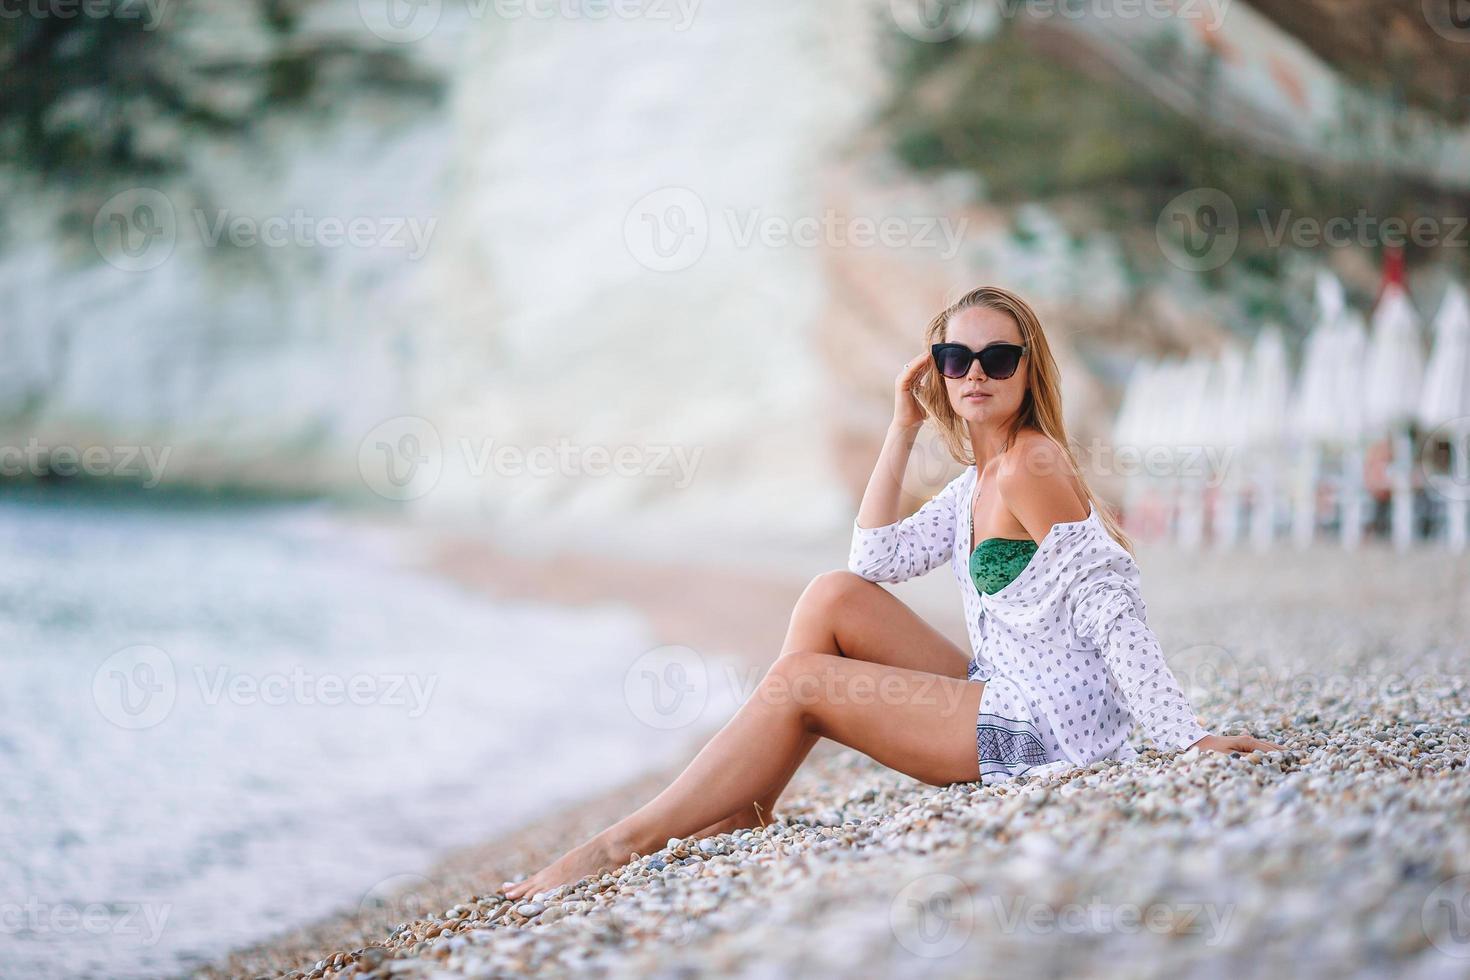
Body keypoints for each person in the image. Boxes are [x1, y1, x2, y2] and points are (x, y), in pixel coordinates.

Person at [501, 285, 1283, 900]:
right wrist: (901, 425)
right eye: (955, 357)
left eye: (997, 359)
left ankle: (621, 843)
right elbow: (870, 558)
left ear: (1026, 369)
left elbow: (1113, 604)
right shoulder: (980, 479)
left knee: (800, 681)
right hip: (1002, 690)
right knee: (833, 596)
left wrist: (1186, 738)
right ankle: (745, 804)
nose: (975, 372)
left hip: (1043, 733)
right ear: (938, 370)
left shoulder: (1032, 465)